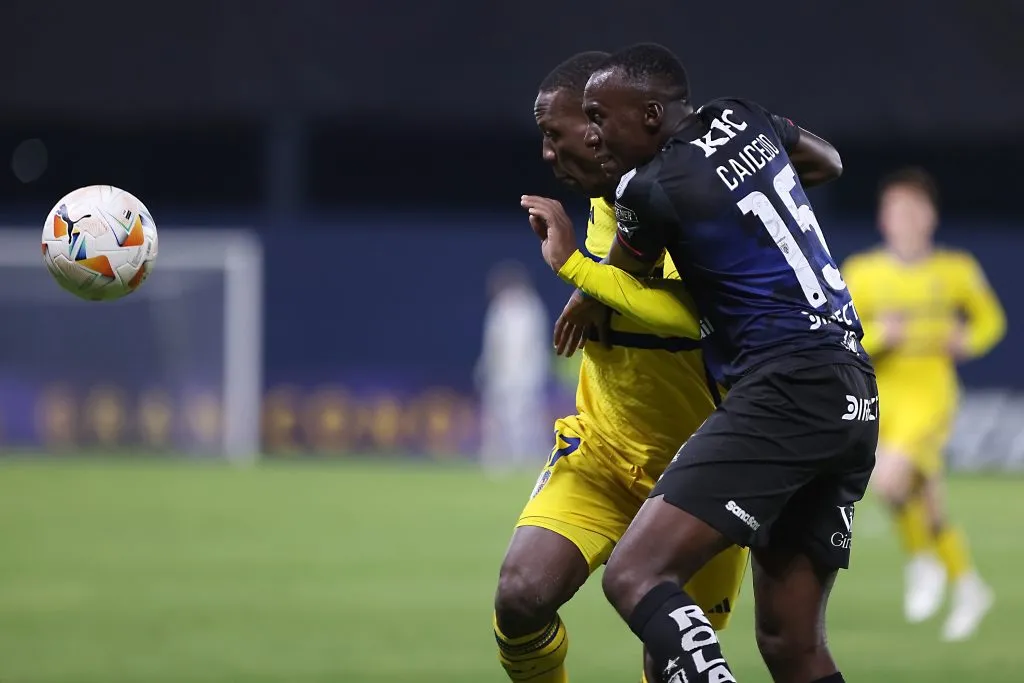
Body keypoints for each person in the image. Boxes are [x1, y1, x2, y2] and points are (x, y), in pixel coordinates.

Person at [522, 43, 870, 683]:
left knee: (634, 574)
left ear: (650, 115)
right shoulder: (744, 117)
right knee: (793, 647)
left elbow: (627, 276)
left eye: (601, 118)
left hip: (781, 389)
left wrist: (572, 268)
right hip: (851, 391)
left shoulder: (650, 188)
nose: (594, 135)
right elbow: (827, 161)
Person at [495, 52, 748, 683]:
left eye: (557, 134)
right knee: (521, 595)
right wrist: (593, 282)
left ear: (600, 126)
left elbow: (701, 315)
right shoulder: (610, 202)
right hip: (604, 454)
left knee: (670, 667)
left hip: (702, 476)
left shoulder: (699, 203)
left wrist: (583, 275)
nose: (550, 155)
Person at [842, 168, 1004, 641]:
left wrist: (967, 340)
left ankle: (921, 563)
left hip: (931, 398)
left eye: (913, 209)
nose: (904, 219)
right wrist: (879, 335)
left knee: (890, 479)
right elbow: (845, 336)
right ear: (883, 219)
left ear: (930, 216)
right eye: (895, 210)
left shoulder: (955, 269)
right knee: (927, 507)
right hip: (883, 399)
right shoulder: (863, 272)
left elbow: (991, 321)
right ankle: (968, 585)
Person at [476, 260, 551, 471]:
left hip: (526, 375)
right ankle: (498, 459)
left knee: (527, 418)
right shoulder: (499, 308)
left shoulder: (531, 307)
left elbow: (536, 345)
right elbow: (493, 344)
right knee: (497, 417)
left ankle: (528, 459)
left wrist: (536, 373)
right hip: (500, 375)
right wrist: (487, 368)